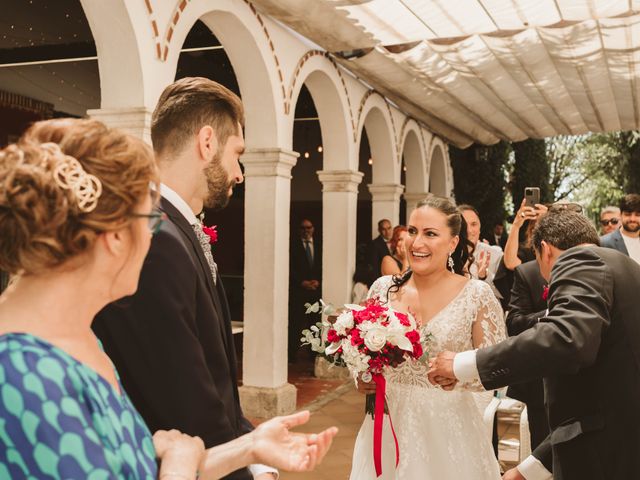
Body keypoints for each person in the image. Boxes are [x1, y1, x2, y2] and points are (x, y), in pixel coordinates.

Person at [0, 119, 337, 479]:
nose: (152, 239)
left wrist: (248, 448)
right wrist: (177, 462)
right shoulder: (25, 373)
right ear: (114, 237)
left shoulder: (80, 338)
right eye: (151, 223)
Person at [92, 77, 274, 479]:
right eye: (237, 155)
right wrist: (243, 469)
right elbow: (180, 393)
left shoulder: (172, 229)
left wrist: (250, 449)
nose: (239, 173)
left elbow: (214, 373)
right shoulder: (155, 240)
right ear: (207, 143)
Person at [429, 210, 640, 480]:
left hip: (605, 460)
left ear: (545, 250)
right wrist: (530, 469)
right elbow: (596, 401)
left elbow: (566, 340)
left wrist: (464, 363)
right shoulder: (626, 266)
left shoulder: (580, 261)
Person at [349, 194, 506, 479]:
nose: (416, 243)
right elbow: (359, 351)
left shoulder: (476, 295)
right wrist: (361, 376)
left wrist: (460, 373)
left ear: (453, 242)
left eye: (430, 234)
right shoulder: (383, 289)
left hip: (448, 433)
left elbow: (498, 368)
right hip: (386, 428)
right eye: (412, 231)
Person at [505, 260, 550, 451]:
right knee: (541, 448)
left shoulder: (594, 267)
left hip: (587, 380)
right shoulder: (528, 272)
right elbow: (514, 323)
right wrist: (549, 313)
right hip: (540, 382)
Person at [289, 218, 322, 362]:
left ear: (313, 229)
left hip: (316, 291)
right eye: (303, 228)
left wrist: (318, 281)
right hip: (299, 291)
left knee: (314, 324)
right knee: (296, 324)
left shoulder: (320, 245)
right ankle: (292, 354)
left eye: (309, 228)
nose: (306, 231)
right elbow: (289, 267)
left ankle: (313, 354)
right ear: (299, 230)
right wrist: (302, 282)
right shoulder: (293, 246)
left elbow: (323, 264)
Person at [459, 204, 503, 300]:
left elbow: (503, 294)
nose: (469, 230)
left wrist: (484, 277)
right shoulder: (449, 255)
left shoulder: (495, 254)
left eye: (474, 224)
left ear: (480, 227)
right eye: (464, 225)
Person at [600, 193, 640, 264]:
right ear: (620, 215)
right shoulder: (604, 243)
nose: (632, 219)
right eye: (628, 214)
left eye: (637, 215)